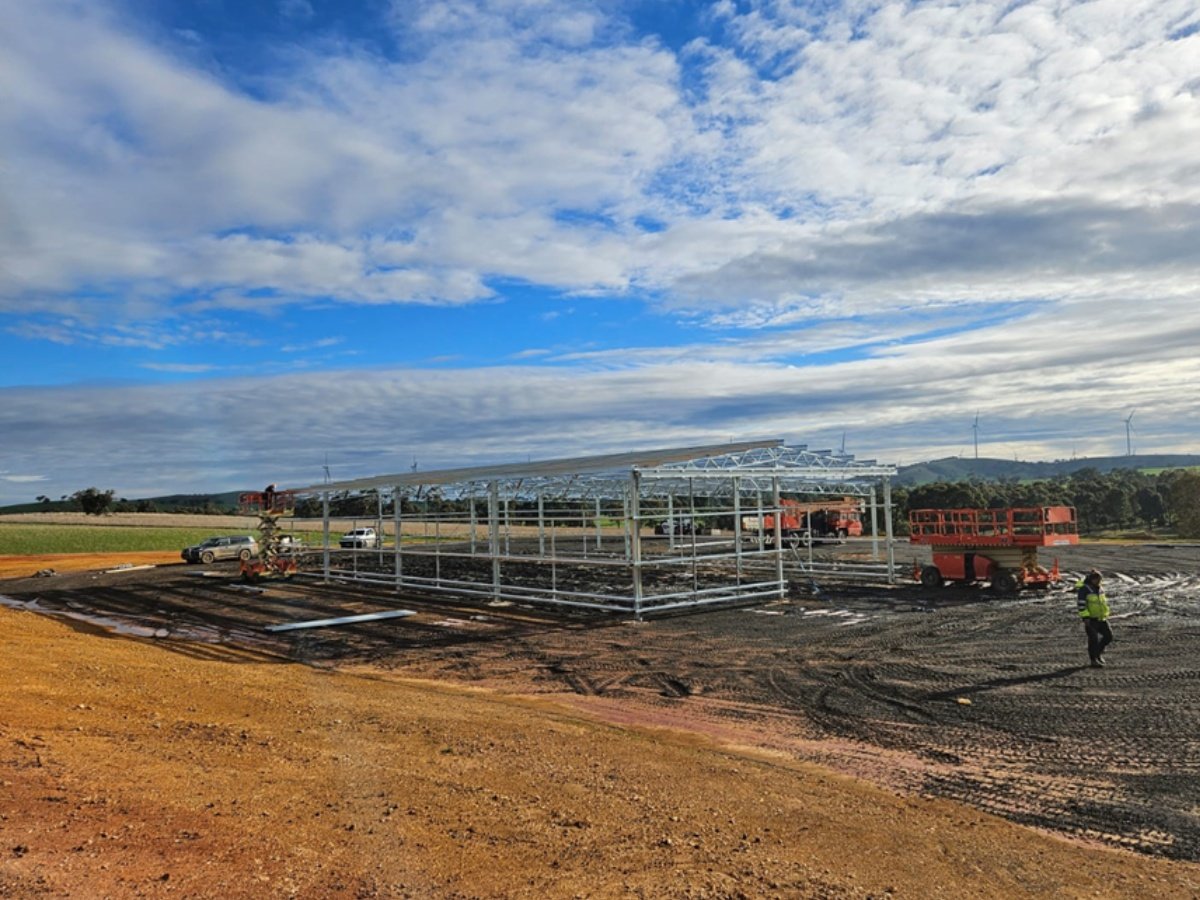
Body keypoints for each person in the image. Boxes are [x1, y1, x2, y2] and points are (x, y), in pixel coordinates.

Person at [1076, 569, 1112, 667]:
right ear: (1092, 579)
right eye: (1098, 579)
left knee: (1108, 636)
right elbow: (1081, 605)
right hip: (1091, 619)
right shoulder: (1085, 589)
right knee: (1093, 640)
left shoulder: (1100, 589)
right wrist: (1085, 617)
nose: (1099, 581)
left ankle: (1098, 653)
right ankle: (1093, 660)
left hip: (1101, 618)